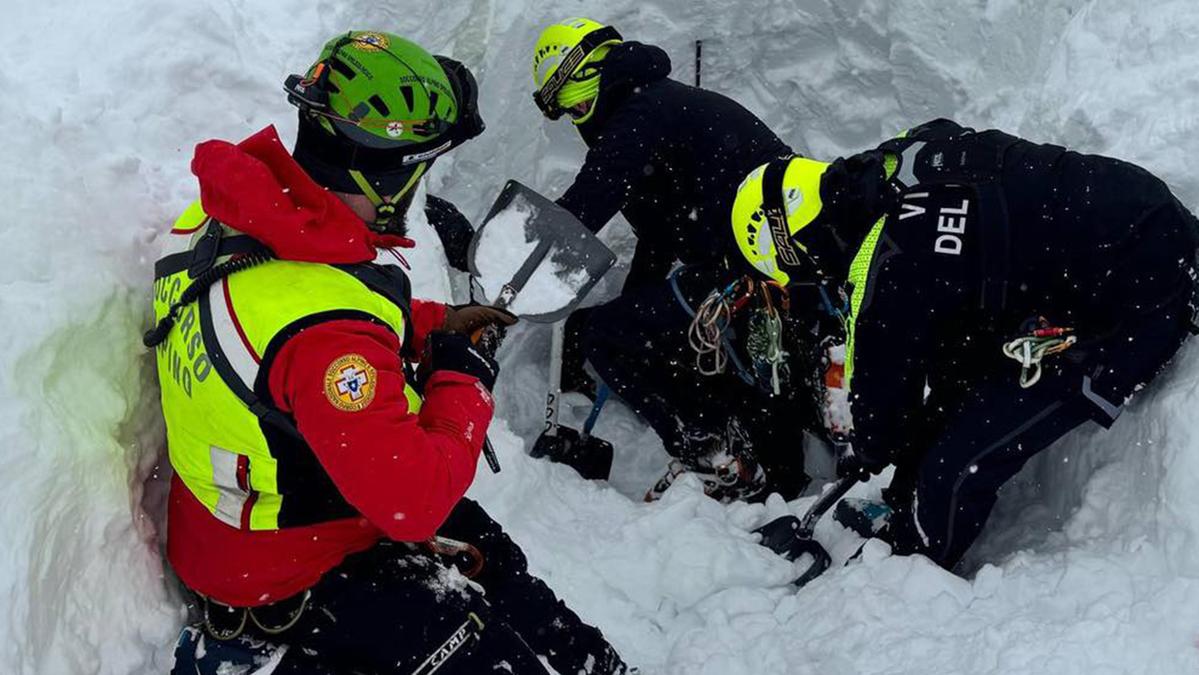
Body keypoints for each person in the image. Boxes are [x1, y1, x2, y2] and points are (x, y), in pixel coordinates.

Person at [151, 31, 627, 674]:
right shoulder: (327, 342)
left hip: (259, 517)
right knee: (484, 645)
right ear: (391, 175)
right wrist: (465, 377)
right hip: (287, 571)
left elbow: (302, 303)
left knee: (493, 552)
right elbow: (414, 504)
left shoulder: (237, 217)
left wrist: (437, 325)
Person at [728, 118, 1199, 570]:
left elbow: (882, 395)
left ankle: (910, 564)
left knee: (956, 466)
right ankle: (903, 502)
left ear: (798, 246)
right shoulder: (902, 157)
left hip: (1140, 300)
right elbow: (942, 273)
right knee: (957, 368)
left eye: (802, 273)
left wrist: (873, 451)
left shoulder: (883, 265)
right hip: (1142, 224)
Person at [531, 17, 815, 502]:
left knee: (605, 337)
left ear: (588, 74)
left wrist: (515, 269)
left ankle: (713, 452)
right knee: (676, 340)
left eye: (573, 104)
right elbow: (661, 236)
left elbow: (585, 206)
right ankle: (766, 470)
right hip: (776, 261)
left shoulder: (640, 110)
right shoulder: (660, 103)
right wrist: (633, 308)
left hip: (751, 266)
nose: (576, 117)